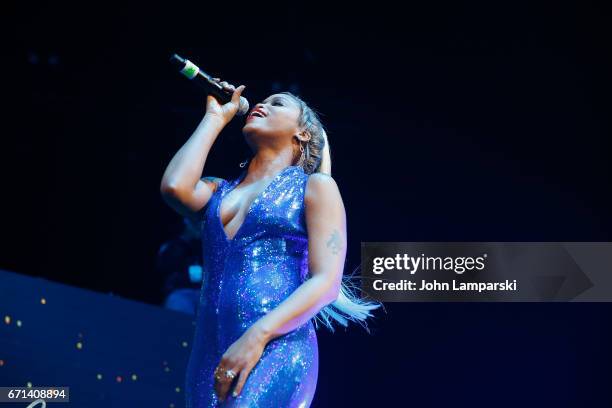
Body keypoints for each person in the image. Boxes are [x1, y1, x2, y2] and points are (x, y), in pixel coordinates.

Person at [160, 78, 381, 407]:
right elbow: (174, 187)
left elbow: (326, 283)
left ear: (302, 133)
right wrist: (215, 117)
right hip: (209, 354)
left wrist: (257, 336)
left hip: (276, 345)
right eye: (262, 101)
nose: (261, 104)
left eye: (278, 103)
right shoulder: (217, 191)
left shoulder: (315, 187)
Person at [156, 216, 203, 315]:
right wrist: (186, 240)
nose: (198, 227)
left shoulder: (206, 248)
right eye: (194, 224)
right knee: (180, 317)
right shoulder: (173, 245)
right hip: (180, 291)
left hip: (205, 295)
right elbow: (164, 266)